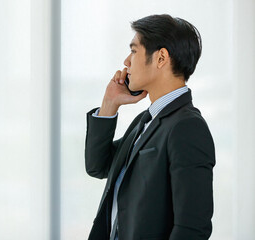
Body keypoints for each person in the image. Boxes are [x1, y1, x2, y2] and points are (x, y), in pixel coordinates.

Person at [85, 14, 215, 240]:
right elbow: (98, 166)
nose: (126, 61)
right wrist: (109, 104)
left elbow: (192, 228)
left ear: (161, 57)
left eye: (134, 51)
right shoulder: (144, 121)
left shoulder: (187, 127)